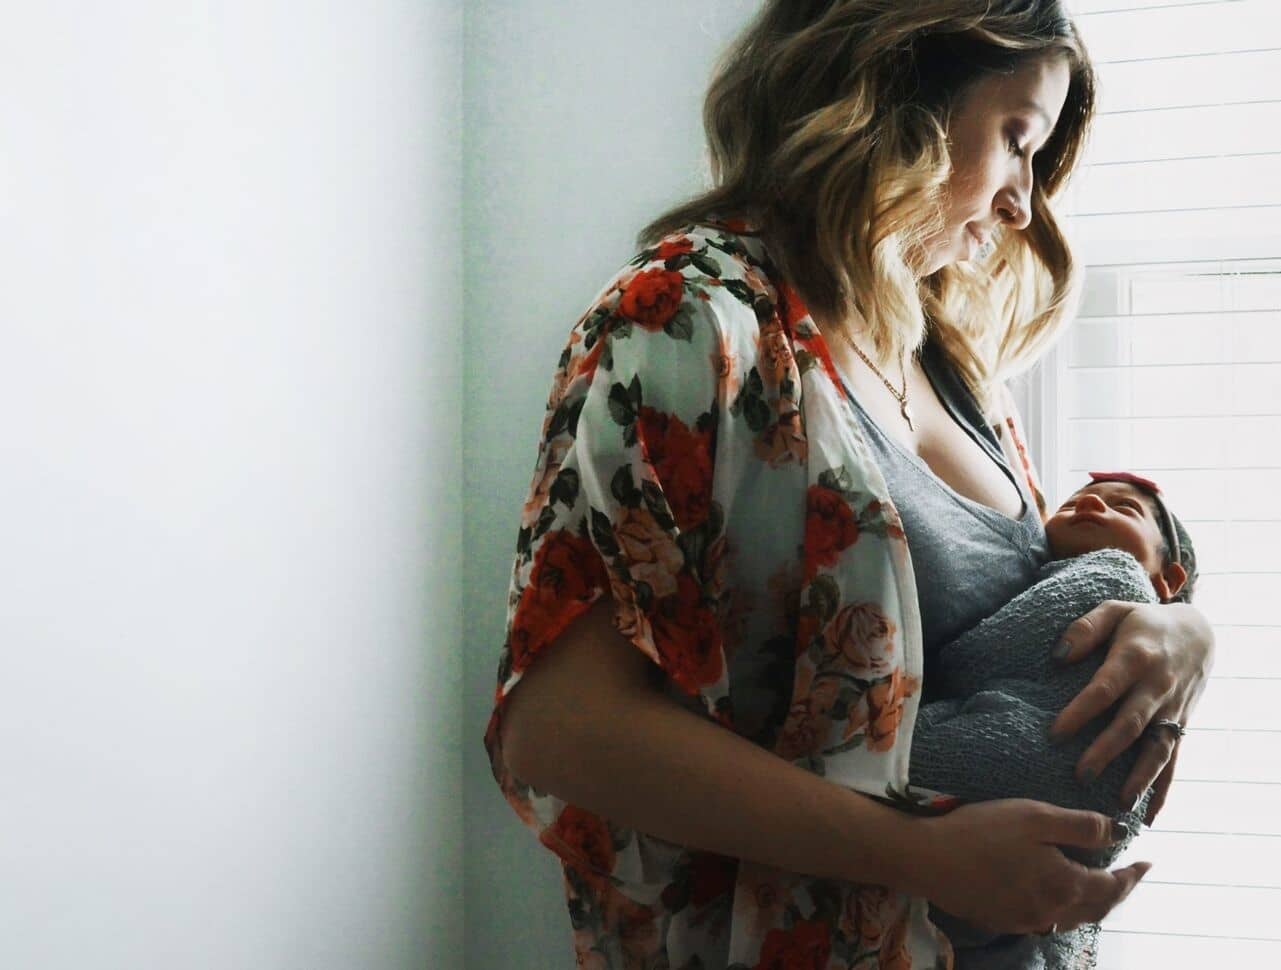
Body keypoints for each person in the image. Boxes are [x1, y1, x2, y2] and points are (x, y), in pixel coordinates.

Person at [484, 3, 1217, 968]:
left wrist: (1179, 626)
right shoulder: (685, 323)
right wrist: (915, 856)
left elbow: (1000, 634)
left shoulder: (948, 357)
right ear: (895, 92)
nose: (1022, 204)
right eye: (1016, 140)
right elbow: (558, 729)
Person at [904, 471, 1200, 969]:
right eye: (1078, 500)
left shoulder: (1113, 576)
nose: (1089, 507)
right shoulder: (1042, 579)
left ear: (1166, 580)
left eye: (1122, 509)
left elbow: (979, 657)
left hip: (1036, 769)